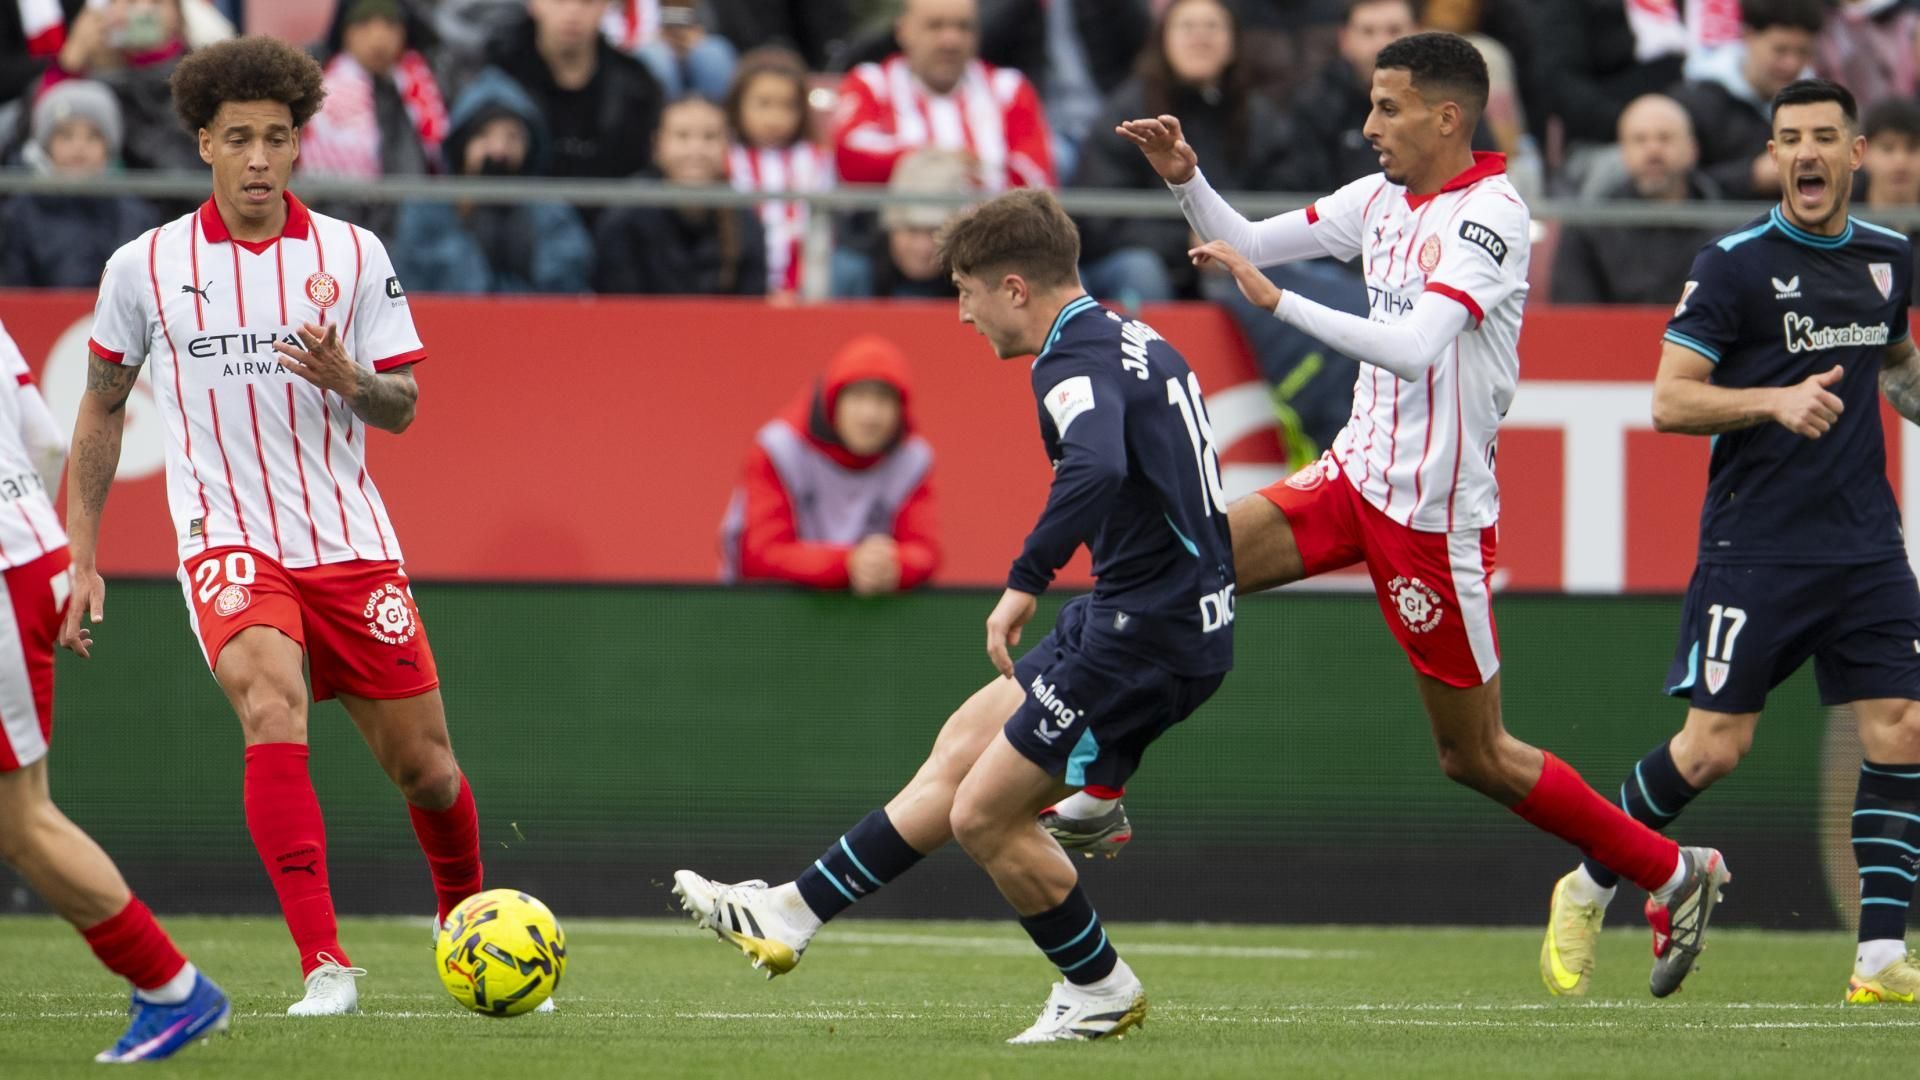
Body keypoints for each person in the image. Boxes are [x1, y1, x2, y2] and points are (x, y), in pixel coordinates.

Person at [1119, 31, 1729, 998]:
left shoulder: (1493, 217)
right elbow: (1248, 239)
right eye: (1371, 104)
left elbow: (1411, 347)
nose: (1369, 125)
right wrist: (1186, 178)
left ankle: (1672, 870)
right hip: (1351, 477)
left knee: (1474, 755)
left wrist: (1280, 306)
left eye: (1388, 107)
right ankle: (1097, 782)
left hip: (1432, 520)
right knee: (1187, 563)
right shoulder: (1379, 199)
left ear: (1448, 117)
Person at [674, 188, 1235, 1043]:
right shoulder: (1133, 336)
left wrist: (1024, 580)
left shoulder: (1068, 362)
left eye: (967, 292)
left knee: (982, 816)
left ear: (1014, 288)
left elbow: (1096, 467)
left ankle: (1098, 988)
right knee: (962, 747)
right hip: (1136, 615)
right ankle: (792, 912)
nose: (963, 314)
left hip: (1144, 636)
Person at [66, 36, 502, 1017]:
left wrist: (353, 380)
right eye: (238, 139)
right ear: (204, 144)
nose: (259, 158)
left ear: (300, 142)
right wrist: (81, 553)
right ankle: (324, 965)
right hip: (226, 539)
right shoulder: (143, 267)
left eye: (276, 137)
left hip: (350, 542)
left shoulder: (353, 254)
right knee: (271, 706)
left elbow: (404, 408)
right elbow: (102, 405)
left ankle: (468, 926)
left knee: (428, 770)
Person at [1546, 78, 1920, 1007]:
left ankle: (1880, 959)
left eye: (1824, 136)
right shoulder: (1733, 264)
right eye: (1790, 137)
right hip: (1757, 546)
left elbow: (1896, 364)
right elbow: (1670, 400)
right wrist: (1773, 401)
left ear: (1855, 154)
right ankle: (1589, 882)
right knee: (1713, 748)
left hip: (1866, 544)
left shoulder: (1890, 256)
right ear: (1773, 154)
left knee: (1904, 729)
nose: (1807, 152)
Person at [0, 321, 231, 1064]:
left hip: (6, 570)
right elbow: (44, 443)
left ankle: (172, 987)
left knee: (19, 821)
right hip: (27, 556)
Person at [1073, 0, 1294, 305]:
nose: (1200, 37)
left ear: (1233, 44)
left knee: (1297, 271)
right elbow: (1100, 218)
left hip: (1242, 256)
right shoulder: (1128, 114)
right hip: (1153, 261)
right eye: (1187, 27)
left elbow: (1286, 197)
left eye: (1212, 27)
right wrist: (1188, 244)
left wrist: (1234, 239)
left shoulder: (1260, 118)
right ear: (1163, 40)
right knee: (1141, 270)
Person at [720, 335, 939, 593]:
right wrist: (848, 564)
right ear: (833, 402)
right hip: (771, 612)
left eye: (883, 400)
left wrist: (895, 566)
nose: (870, 415)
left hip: (870, 614)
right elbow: (758, 557)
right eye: (858, 397)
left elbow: (925, 553)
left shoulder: (913, 460)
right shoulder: (777, 450)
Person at [389, 68, 594, 293]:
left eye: (512, 137)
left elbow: (567, 284)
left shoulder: (551, 212)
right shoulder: (429, 209)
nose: (499, 150)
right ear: (462, 144)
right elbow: (412, 286)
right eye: (484, 135)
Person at [832, 0, 1053, 191]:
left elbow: (1037, 176)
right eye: (935, 26)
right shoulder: (872, 83)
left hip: (989, 225)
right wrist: (941, 160)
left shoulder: (1009, 88)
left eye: (963, 27)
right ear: (903, 31)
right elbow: (849, 158)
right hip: (896, 226)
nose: (951, 41)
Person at [1551, 94, 1723, 306]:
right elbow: (1574, 315)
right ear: (1622, 151)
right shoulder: (1589, 228)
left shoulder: (1727, 227)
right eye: (1640, 139)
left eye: (1665, 138)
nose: (1653, 150)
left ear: (1692, 149)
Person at [594, 95, 766, 295]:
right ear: (657, 145)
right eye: (682, 136)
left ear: (728, 145)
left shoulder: (744, 218)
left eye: (710, 137)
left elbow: (751, 301)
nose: (696, 150)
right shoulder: (625, 216)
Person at [0, 78, 158, 288]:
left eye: (93, 136)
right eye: (66, 136)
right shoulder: (19, 215)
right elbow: (14, 289)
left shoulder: (136, 216)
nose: (79, 147)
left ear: (109, 147)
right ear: (45, 146)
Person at [486, 0, 663, 181]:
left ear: (605, 6)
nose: (573, 12)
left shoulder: (638, 86)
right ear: (534, 4)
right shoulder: (498, 75)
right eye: (559, 1)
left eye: (587, 2)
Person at [1668, 0, 1825, 200]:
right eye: (1780, 50)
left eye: (1803, 52)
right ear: (1748, 36)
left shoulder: (1821, 107)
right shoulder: (1694, 103)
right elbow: (1674, 184)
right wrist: (1752, 177)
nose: (1792, 64)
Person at [46, 0, 206, 171]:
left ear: (177, 14)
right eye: (131, 2)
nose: (144, 10)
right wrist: (70, 64)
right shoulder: (96, 83)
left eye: (156, 2)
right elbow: (43, 127)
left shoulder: (202, 78)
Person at [1284, 0, 1418, 195]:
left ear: (1417, 35)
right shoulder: (1315, 105)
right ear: (1345, 40)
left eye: (1394, 30)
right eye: (1368, 32)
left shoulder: (1442, 101)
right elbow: (1305, 191)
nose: (1381, 44)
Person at [725, 47, 826, 298]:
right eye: (764, 104)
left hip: (805, 286)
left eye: (788, 106)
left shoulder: (815, 159)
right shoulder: (726, 158)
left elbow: (820, 230)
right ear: (738, 105)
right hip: (740, 286)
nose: (774, 118)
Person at [829, 148, 968, 300]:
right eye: (912, 229)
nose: (922, 247)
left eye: (935, 231)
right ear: (890, 227)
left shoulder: (975, 279)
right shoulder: (852, 271)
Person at [1861, 96, 1920, 305]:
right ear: (1862, 153)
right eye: (1887, 148)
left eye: (1912, 148)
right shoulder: (1842, 227)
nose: (1900, 161)